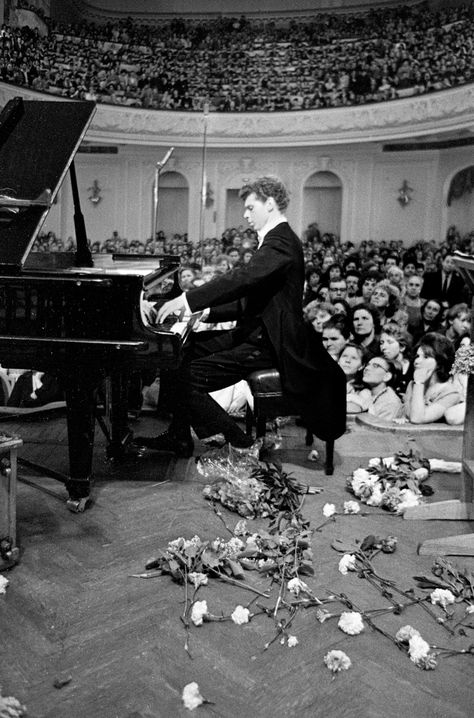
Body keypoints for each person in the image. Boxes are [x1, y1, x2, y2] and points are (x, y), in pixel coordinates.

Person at [134, 176, 346, 456]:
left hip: (267, 343)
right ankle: (179, 436)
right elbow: (252, 299)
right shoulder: (274, 240)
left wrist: (187, 300)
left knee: (189, 377)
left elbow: (243, 278)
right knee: (178, 352)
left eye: (250, 207)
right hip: (254, 333)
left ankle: (240, 442)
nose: (245, 215)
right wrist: (205, 310)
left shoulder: (280, 241)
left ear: (269, 204)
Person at [401, 332, 461, 424]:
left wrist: (419, 383)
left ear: (439, 362)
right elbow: (406, 417)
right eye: (417, 356)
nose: (417, 361)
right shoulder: (412, 385)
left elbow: (417, 419)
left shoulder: (451, 394)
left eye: (426, 357)